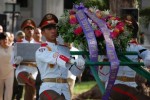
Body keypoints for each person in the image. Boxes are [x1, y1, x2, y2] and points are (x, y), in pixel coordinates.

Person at [35, 13, 85, 100]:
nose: (53, 31)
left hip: (65, 89)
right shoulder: (41, 50)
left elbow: (75, 72)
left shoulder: (65, 49)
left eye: (55, 27)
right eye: (49, 28)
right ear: (42, 32)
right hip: (49, 87)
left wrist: (80, 66)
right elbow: (56, 57)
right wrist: (71, 60)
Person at [14, 19, 38, 100]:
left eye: (31, 29)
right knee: (27, 77)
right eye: (27, 29)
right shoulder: (18, 44)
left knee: (30, 85)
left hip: (34, 70)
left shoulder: (39, 45)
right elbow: (12, 62)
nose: (30, 30)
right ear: (24, 30)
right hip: (22, 70)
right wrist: (16, 61)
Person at [0, 32, 14, 100]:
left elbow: (16, 59)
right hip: (0, 72)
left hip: (10, 72)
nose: (4, 41)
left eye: (6, 39)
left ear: (8, 39)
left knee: (9, 91)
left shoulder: (13, 48)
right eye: (2, 39)